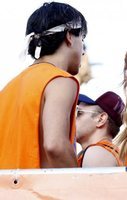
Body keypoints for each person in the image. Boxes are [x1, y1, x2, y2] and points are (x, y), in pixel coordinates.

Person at [0, 2, 87, 169]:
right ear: (69, 36)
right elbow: (55, 145)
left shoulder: (9, 88)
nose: (83, 50)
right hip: (36, 192)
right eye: (82, 39)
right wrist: (78, 186)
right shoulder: (60, 80)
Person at [76, 91, 125, 167]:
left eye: (79, 113)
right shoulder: (106, 152)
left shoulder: (96, 153)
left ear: (101, 119)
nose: (72, 118)